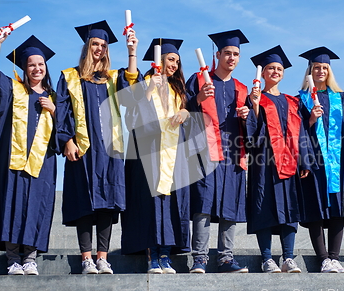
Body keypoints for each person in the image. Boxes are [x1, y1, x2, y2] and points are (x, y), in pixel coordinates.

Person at [56, 20, 139, 274]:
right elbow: (62, 110)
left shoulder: (113, 79)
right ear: (87, 46)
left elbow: (134, 90)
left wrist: (132, 52)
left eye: (103, 45)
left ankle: (102, 257)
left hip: (109, 150)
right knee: (84, 201)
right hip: (82, 149)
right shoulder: (70, 77)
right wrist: (66, 139)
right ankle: (86, 258)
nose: (100, 49)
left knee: (107, 202)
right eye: (95, 44)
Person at [0, 31, 57, 275]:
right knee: (12, 203)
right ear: (24, 68)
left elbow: (65, 131)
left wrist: (53, 110)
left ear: (45, 67)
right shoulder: (13, 89)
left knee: (35, 207)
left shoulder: (54, 98)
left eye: (40, 64)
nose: (36, 68)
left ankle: (30, 258)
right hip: (11, 162)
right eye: (31, 64)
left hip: (42, 164)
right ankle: (13, 259)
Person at [121, 38, 191, 274]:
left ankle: (165, 255)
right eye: (171, 59)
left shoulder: (178, 89)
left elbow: (187, 120)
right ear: (158, 61)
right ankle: (152, 255)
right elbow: (131, 117)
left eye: (177, 61)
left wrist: (184, 112)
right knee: (150, 204)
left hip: (173, 154)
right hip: (148, 154)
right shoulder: (144, 83)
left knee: (170, 203)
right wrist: (149, 90)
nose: (174, 65)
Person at [185, 29, 250, 273]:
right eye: (227, 53)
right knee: (203, 204)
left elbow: (253, 127)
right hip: (205, 153)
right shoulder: (199, 80)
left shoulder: (242, 89)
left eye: (236, 54)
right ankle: (199, 258)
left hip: (234, 154)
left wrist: (248, 116)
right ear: (218, 54)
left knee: (230, 205)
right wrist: (198, 99)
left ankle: (225, 258)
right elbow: (183, 110)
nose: (231, 58)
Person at [246, 45, 312, 273]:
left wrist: (305, 160)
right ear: (262, 73)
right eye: (270, 68)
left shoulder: (293, 102)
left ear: (283, 73)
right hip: (264, 163)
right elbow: (250, 133)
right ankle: (267, 258)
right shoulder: (255, 98)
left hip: (290, 163)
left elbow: (301, 132)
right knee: (263, 206)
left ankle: (288, 257)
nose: (275, 71)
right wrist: (254, 106)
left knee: (290, 208)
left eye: (279, 69)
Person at [297, 47, 344, 273]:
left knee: (338, 208)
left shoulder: (341, 97)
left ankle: (335, 258)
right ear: (310, 71)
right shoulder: (300, 99)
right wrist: (311, 119)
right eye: (316, 68)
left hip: (339, 160)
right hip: (313, 160)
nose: (321, 71)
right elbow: (296, 132)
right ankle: (323, 258)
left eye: (324, 68)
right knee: (315, 206)